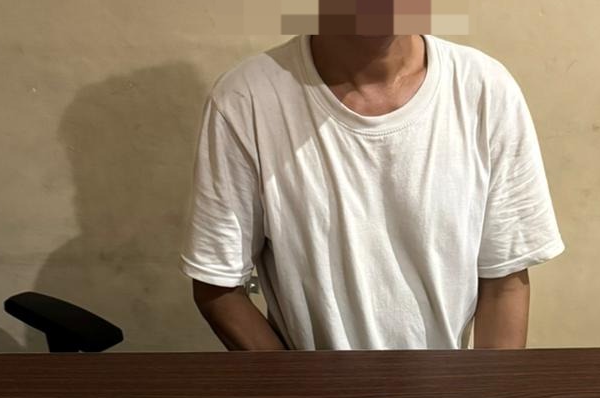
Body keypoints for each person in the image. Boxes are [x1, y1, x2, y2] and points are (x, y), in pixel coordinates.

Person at [182, 32, 564, 350]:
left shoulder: (483, 89)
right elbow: (218, 284)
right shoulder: (247, 98)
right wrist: (295, 396)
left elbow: (503, 280)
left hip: (447, 396)